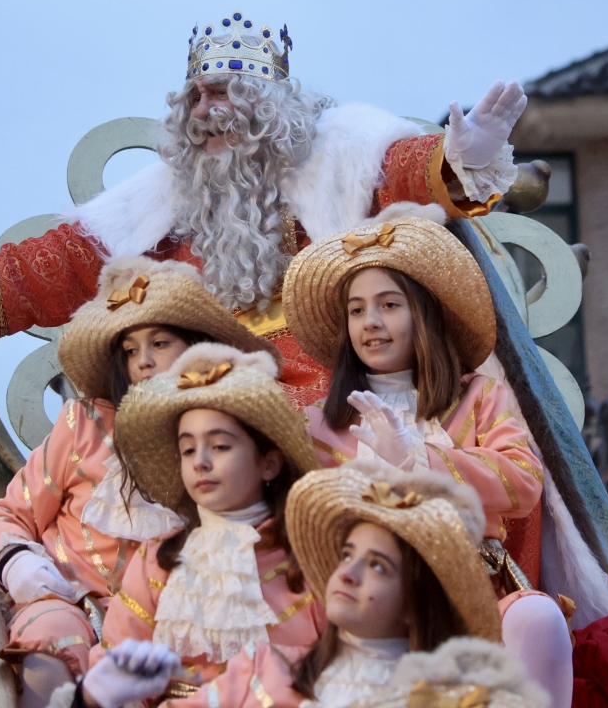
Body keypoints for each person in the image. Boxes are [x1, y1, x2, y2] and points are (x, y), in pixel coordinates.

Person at [0, 10, 529, 408]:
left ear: (271, 116)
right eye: (197, 101)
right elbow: (73, 259)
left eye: (227, 97)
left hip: (343, 399)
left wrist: (461, 157)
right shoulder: (164, 200)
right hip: (209, 411)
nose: (209, 112)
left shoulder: (343, 157)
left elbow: (404, 173)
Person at [281, 205, 572, 707]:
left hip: (473, 597)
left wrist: (420, 461)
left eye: (389, 304)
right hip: (374, 609)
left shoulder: (478, 396)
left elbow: (524, 482)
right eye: (356, 309)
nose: (370, 322)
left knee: (537, 619)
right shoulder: (318, 428)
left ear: (424, 314)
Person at [0, 257, 279, 708]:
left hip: (168, 612)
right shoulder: (84, 422)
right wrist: (18, 563)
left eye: (159, 342)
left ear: (195, 345)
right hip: (72, 605)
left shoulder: (220, 436)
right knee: (51, 638)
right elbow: (8, 513)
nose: (145, 361)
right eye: (131, 350)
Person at [62, 459, 548, 708]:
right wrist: (93, 700)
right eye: (348, 555)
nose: (348, 573)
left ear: (413, 604)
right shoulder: (264, 672)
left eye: (378, 566)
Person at [90, 342, 326, 699]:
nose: (200, 461)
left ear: (269, 463)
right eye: (188, 449)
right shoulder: (159, 561)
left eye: (219, 446)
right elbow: (114, 676)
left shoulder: (313, 561)